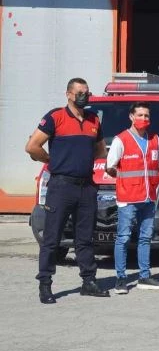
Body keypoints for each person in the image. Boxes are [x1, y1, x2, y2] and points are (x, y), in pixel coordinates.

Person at [26, 77, 110, 304]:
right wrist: (52, 161)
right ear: (69, 94)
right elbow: (32, 146)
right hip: (61, 186)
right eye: (80, 92)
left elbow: (100, 151)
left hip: (86, 186)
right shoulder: (56, 117)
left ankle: (89, 282)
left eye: (87, 92)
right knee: (52, 238)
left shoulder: (94, 119)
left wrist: (81, 160)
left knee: (85, 238)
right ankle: (45, 284)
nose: (85, 95)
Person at [105, 102, 159, 293]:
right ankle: (121, 279)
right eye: (140, 115)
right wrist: (124, 180)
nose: (144, 119)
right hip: (128, 198)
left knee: (145, 237)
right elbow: (110, 166)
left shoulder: (155, 139)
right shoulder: (121, 140)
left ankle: (144, 276)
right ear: (131, 117)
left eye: (147, 116)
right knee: (123, 238)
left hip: (148, 198)